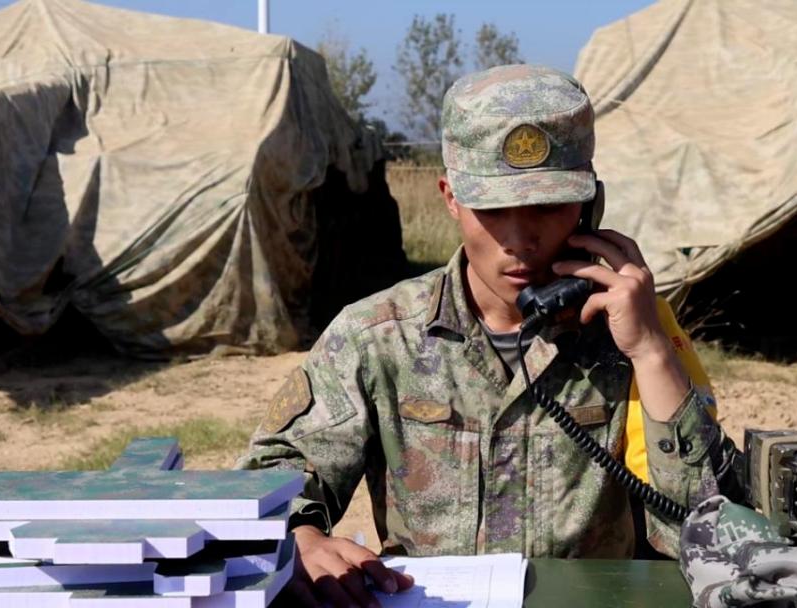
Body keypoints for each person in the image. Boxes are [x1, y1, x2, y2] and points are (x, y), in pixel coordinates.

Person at [237, 64, 742, 608]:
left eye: (547, 206)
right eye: (494, 209)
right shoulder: (378, 336)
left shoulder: (629, 334)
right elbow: (274, 472)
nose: (520, 239)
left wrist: (650, 351)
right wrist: (300, 535)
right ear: (450, 197)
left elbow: (714, 528)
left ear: (590, 206)